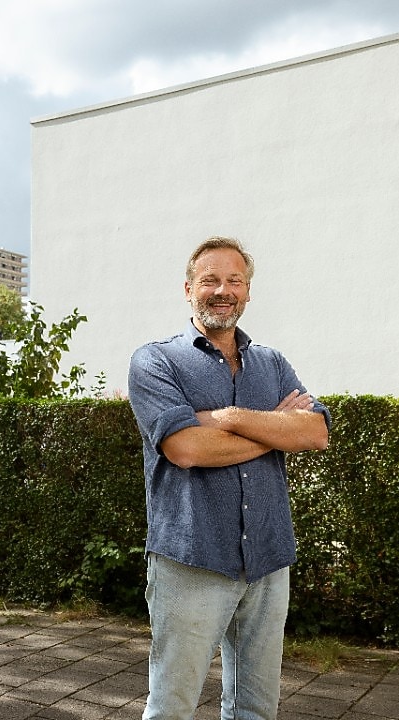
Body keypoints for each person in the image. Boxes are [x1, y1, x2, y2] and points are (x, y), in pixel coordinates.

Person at [127, 236, 330, 720]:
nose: (223, 290)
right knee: (171, 707)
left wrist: (232, 415)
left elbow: (317, 431)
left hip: (267, 558)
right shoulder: (156, 362)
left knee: (256, 710)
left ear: (248, 290)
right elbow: (187, 448)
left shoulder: (272, 362)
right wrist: (275, 429)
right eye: (210, 280)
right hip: (192, 559)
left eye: (234, 280)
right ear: (188, 288)